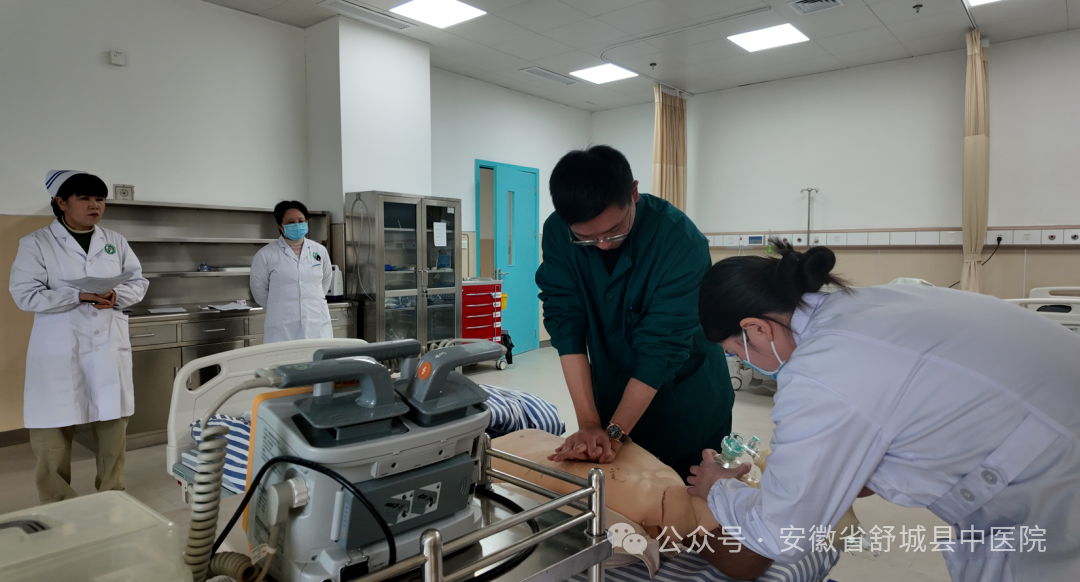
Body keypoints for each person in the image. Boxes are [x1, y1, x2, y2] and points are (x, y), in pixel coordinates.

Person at [686, 240, 1080, 582]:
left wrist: (717, 488)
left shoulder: (821, 369)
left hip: (1053, 484)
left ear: (756, 328)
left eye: (733, 350)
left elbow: (781, 534)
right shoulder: (869, 304)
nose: (740, 360)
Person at [535, 145, 734, 480]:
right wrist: (589, 424)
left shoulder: (681, 243)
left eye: (615, 231)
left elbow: (661, 350)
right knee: (617, 498)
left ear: (634, 193)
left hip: (685, 403)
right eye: (586, 238)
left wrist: (613, 435)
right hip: (613, 392)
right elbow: (566, 325)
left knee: (685, 502)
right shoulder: (558, 232)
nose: (603, 244)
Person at [9, 170, 148, 503]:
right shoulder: (36, 243)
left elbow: (138, 282)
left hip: (107, 347)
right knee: (52, 435)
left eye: (99, 199)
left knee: (112, 429)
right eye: (84, 198)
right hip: (60, 349)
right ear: (61, 203)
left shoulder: (115, 241)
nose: (94, 205)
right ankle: (58, 506)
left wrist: (117, 295)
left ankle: (113, 499)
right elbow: (25, 295)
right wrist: (77, 296)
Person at [250, 200, 332, 343]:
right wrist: (279, 307)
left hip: (316, 322)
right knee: (285, 357)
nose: (297, 225)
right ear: (280, 226)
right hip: (283, 327)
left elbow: (325, 280)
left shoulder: (319, 250)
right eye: (291, 222)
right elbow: (259, 290)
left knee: (318, 356)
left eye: (301, 221)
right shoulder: (265, 254)